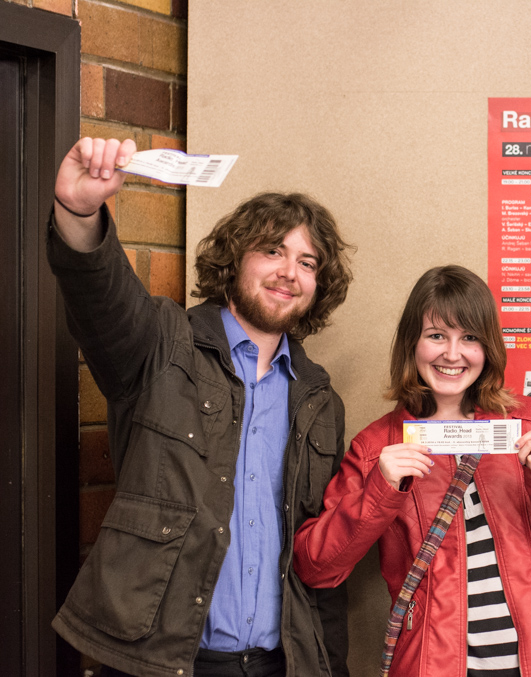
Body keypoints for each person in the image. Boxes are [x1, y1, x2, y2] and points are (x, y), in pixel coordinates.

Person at [48, 138, 353, 677]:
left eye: (307, 262)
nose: (290, 271)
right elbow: (102, 299)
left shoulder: (319, 400)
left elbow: (318, 558)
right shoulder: (163, 345)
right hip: (165, 662)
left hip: (281, 664)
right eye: (273, 251)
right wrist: (80, 213)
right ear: (234, 259)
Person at [293, 265, 531, 677]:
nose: (452, 354)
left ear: (488, 347)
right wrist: (380, 490)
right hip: (434, 663)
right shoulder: (376, 446)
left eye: (469, 337)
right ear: (412, 343)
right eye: (436, 335)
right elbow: (316, 568)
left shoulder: (527, 420)